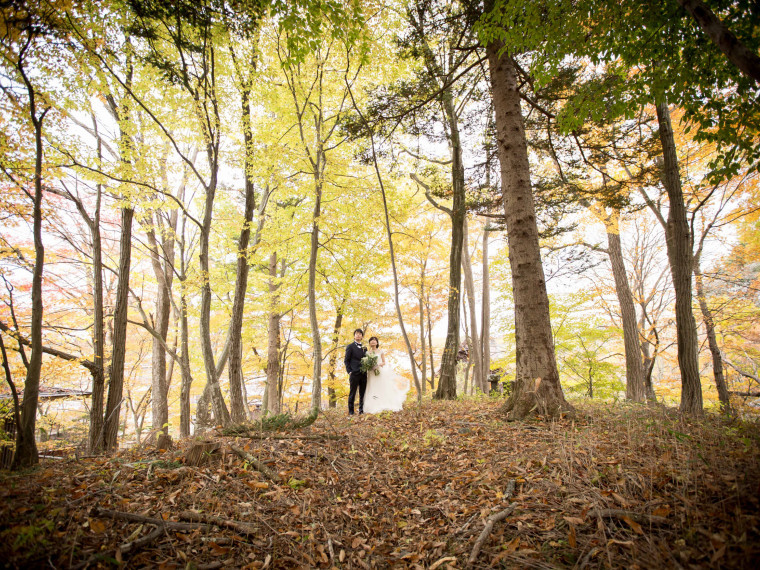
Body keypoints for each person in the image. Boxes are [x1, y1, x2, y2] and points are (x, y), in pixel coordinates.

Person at [363, 336, 409, 413]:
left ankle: (383, 403)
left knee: (380, 386)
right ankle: (372, 405)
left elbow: (384, 362)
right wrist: (369, 366)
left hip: (379, 371)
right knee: (372, 386)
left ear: (377, 343)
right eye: (371, 340)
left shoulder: (380, 351)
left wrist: (379, 364)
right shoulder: (367, 353)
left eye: (374, 340)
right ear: (369, 343)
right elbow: (366, 362)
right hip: (371, 373)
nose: (373, 342)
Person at [344, 328, 367, 415]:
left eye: (360, 334)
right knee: (352, 393)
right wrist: (349, 371)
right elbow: (346, 360)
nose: (358, 335)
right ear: (354, 336)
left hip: (364, 374)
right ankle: (351, 412)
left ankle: (361, 410)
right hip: (354, 373)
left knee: (362, 393)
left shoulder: (365, 348)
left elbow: (366, 360)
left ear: (362, 336)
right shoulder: (350, 346)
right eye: (356, 333)